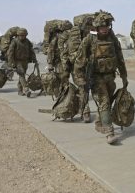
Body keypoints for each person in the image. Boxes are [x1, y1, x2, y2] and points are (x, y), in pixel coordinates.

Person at [74, 10, 128, 144]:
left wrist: (124, 75)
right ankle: (110, 132)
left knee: (108, 101)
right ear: (97, 27)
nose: (105, 29)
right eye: (102, 27)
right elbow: (79, 61)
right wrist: (80, 78)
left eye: (107, 26)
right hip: (96, 77)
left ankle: (100, 122)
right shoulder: (89, 39)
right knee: (104, 102)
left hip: (110, 76)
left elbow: (120, 57)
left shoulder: (112, 38)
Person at [7, 28, 38, 97]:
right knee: (21, 74)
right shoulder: (14, 41)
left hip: (25, 61)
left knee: (22, 75)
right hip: (17, 61)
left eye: (24, 35)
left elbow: (31, 51)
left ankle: (20, 90)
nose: (22, 36)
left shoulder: (27, 41)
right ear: (18, 35)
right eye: (21, 35)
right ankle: (26, 90)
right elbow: (10, 53)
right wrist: (11, 63)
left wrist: (34, 59)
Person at [47, 20, 72, 89]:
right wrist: (50, 63)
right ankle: (61, 93)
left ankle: (64, 92)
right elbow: (51, 50)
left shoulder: (72, 35)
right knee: (62, 77)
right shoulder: (57, 36)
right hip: (59, 61)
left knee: (65, 76)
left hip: (69, 59)